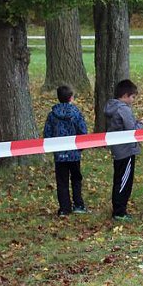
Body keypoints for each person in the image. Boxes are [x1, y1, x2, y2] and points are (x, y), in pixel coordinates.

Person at [105, 79, 143, 221]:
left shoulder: (112, 107)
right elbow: (131, 130)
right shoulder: (123, 109)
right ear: (125, 95)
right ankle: (119, 210)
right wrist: (141, 124)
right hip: (126, 150)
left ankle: (118, 207)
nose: (133, 100)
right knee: (124, 181)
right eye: (132, 97)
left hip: (118, 149)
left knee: (119, 178)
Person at [43, 85, 89, 216]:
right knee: (76, 178)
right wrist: (81, 147)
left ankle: (64, 208)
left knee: (62, 181)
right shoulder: (76, 113)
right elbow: (82, 131)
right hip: (74, 153)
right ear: (71, 98)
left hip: (59, 154)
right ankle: (78, 204)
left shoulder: (52, 115)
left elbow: (47, 133)